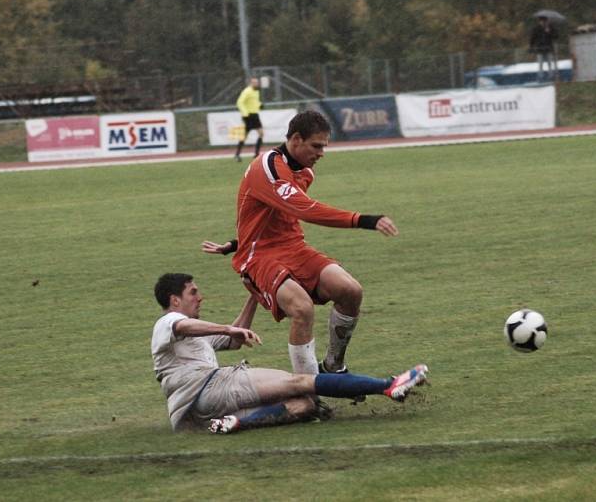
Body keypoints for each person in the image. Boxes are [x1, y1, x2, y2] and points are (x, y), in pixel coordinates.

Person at [202, 110, 399, 378]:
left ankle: (333, 367)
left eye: (324, 147)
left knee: (350, 291)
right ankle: (307, 392)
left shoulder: (305, 172)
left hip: (294, 248)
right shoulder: (268, 166)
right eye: (316, 146)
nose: (321, 153)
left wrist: (234, 242)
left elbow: (275, 215)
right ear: (296, 139)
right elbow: (305, 210)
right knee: (301, 308)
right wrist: (364, 220)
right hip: (259, 257)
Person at [151, 272, 429, 434]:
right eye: (193, 293)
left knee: (306, 404)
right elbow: (185, 326)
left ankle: (235, 423)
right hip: (210, 388)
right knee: (299, 381)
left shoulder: (194, 332)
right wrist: (227, 329)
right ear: (175, 300)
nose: (200, 297)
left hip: (196, 414)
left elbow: (234, 339)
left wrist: (254, 296)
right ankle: (388, 386)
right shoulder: (168, 322)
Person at [234, 77, 264, 162]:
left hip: (255, 115)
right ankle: (237, 155)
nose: (256, 84)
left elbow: (254, 102)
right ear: (250, 83)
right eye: (254, 82)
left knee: (261, 133)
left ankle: (256, 154)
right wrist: (245, 113)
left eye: (257, 82)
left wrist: (260, 105)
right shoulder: (247, 91)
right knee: (245, 136)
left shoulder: (256, 91)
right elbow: (239, 102)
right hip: (248, 116)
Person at [529, 16, 558, 82]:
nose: (544, 23)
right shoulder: (536, 28)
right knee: (540, 64)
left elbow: (556, 36)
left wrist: (549, 32)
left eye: (545, 21)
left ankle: (551, 76)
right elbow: (532, 38)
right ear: (539, 22)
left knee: (549, 63)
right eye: (542, 21)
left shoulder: (550, 27)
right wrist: (531, 47)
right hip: (540, 48)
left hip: (548, 48)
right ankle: (540, 77)